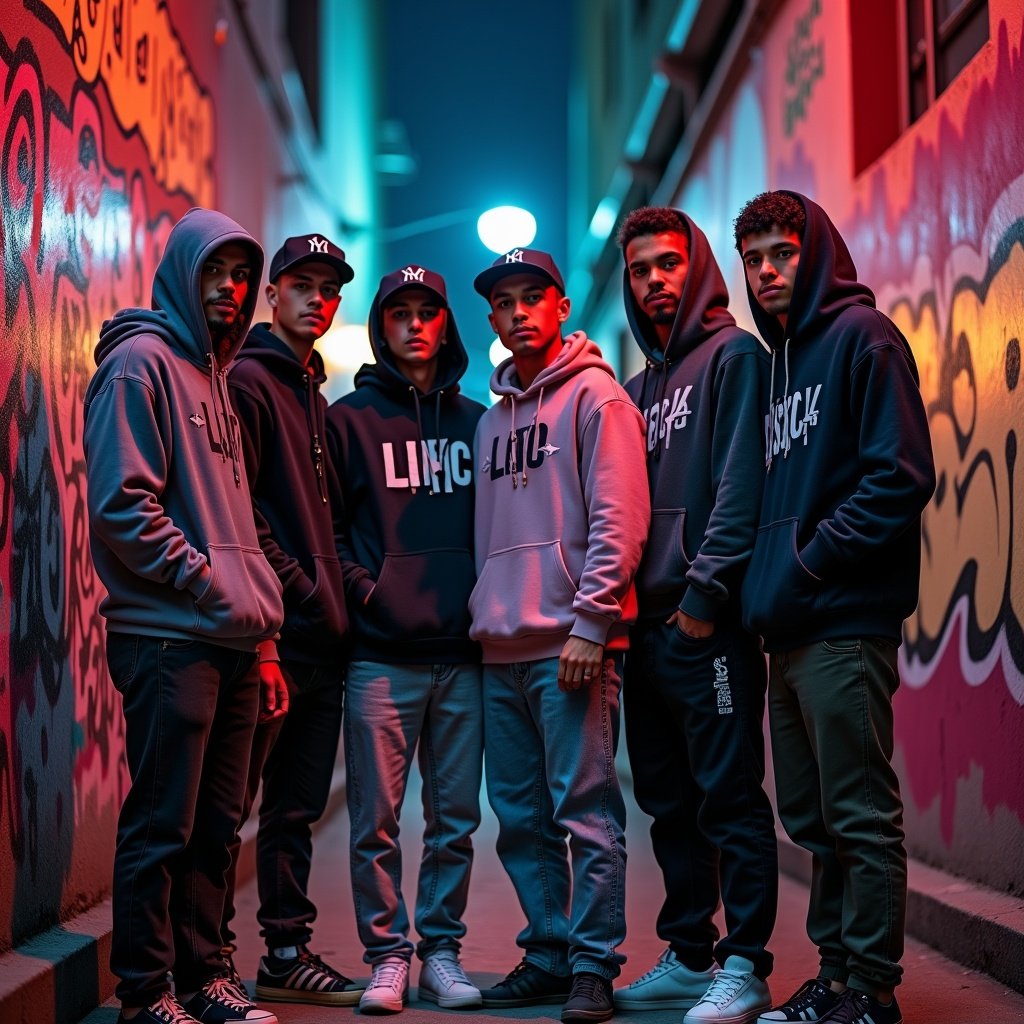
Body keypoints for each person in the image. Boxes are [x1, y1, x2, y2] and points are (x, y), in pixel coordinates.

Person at [733, 190, 935, 1024]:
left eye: (783, 253)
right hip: (790, 627)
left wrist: (810, 562)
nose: (769, 271)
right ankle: (835, 976)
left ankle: (873, 991)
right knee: (813, 817)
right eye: (754, 259)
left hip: (844, 620)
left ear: (814, 253)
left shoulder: (864, 339)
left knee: (857, 811)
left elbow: (900, 476)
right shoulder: (778, 364)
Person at [84, 208, 286, 1024]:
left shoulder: (216, 380)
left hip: (233, 640)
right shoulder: (139, 366)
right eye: (216, 274)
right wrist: (207, 585)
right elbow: (122, 506)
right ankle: (145, 993)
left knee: (217, 831)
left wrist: (263, 636)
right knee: (163, 823)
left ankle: (208, 979)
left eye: (241, 277)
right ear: (182, 273)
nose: (231, 291)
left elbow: (237, 523)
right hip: (170, 638)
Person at [469, 248, 650, 1024]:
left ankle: (591, 967)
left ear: (561, 305)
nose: (518, 311)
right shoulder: (488, 421)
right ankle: (546, 953)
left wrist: (592, 621)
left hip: (572, 647)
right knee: (520, 818)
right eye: (504, 301)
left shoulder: (597, 399)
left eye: (531, 297)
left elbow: (620, 519)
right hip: (499, 650)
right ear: (493, 319)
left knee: (586, 813)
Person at [612, 207, 778, 1024]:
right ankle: (688, 953)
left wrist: (706, 601)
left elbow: (742, 483)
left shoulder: (734, 357)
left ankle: (744, 963)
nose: (655, 282)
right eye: (640, 270)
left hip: (703, 624)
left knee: (730, 797)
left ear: (697, 265)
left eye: (668, 264)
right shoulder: (640, 389)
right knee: (666, 802)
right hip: (646, 629)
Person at [326, 264, 486, 1014]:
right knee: (376, 822)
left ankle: (443, 955)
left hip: (462, 655)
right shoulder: (347, 420)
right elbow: (325, 530)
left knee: (455, 820)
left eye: (429, 312)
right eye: (401, 313)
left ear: (447, 324)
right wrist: (368, 592)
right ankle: (388, 957)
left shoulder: (480, 421)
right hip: (381, 657)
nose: (415, 324)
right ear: (382, 326)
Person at [222, 233, 361, 1005]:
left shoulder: (312, 390)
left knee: (294, 809)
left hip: (320, 641)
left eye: (329, 289)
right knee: (233, 808)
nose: (317, 298)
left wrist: (333, 600)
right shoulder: (249, 381)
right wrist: (306, 588)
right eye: (301, 284)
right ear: (271, 294)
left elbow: (325, 513)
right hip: (273, 635)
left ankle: (285, 950)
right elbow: (243, 509)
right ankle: (206, 959)